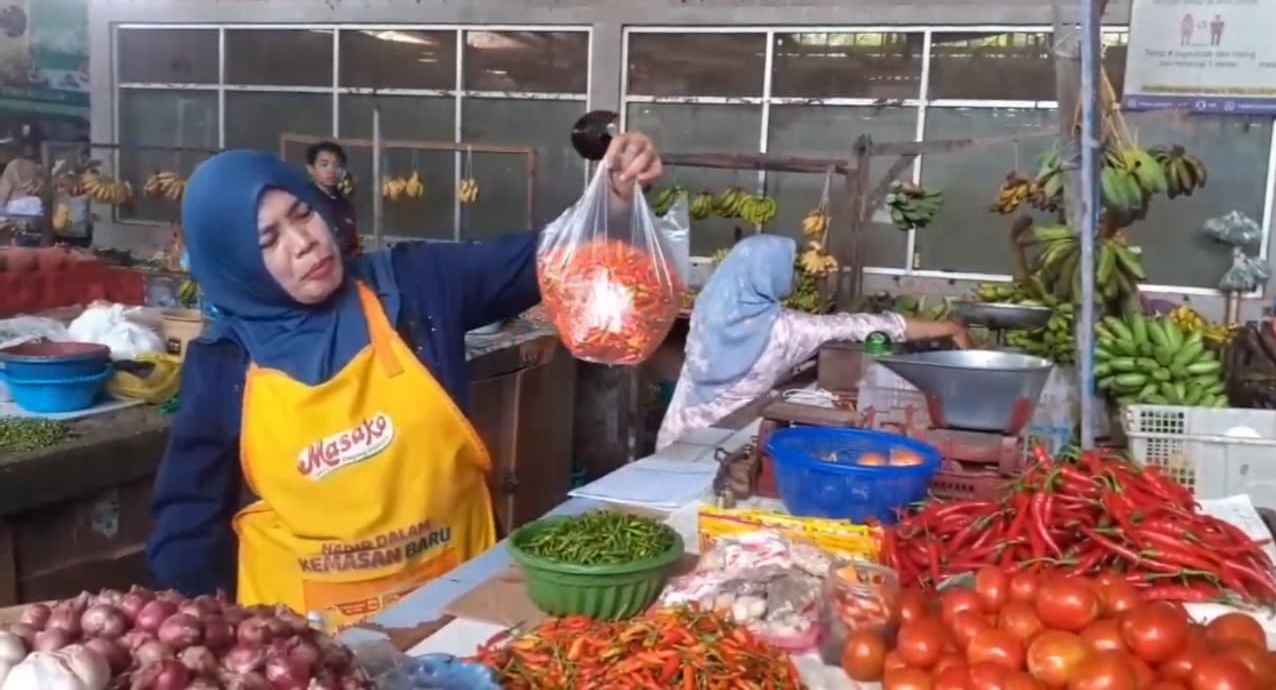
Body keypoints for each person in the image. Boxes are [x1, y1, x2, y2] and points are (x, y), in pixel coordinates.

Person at [147, 133, 664, 628]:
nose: (304, 242)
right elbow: (186, 523)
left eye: (303, 213)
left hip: (461, 611)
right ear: (235, 265)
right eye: (269, 239)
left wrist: (615, 197)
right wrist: (210, 641)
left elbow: (545, 259)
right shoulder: (225, 363)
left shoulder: (414, 285)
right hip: (310, 643)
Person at [656, 234, 970, 450]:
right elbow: (865, 326)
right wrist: (946, 327)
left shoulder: (705, 309)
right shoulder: (787, 330)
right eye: (786, 268)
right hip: (724, 443)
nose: (791, 276)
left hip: (676, 436)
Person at [305, 140, 360, 257]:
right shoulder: (303, 202)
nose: (331, 170)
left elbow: (354, 247)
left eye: (337, 165)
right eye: (324, 165)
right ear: (311, 169)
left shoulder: (345, 205)